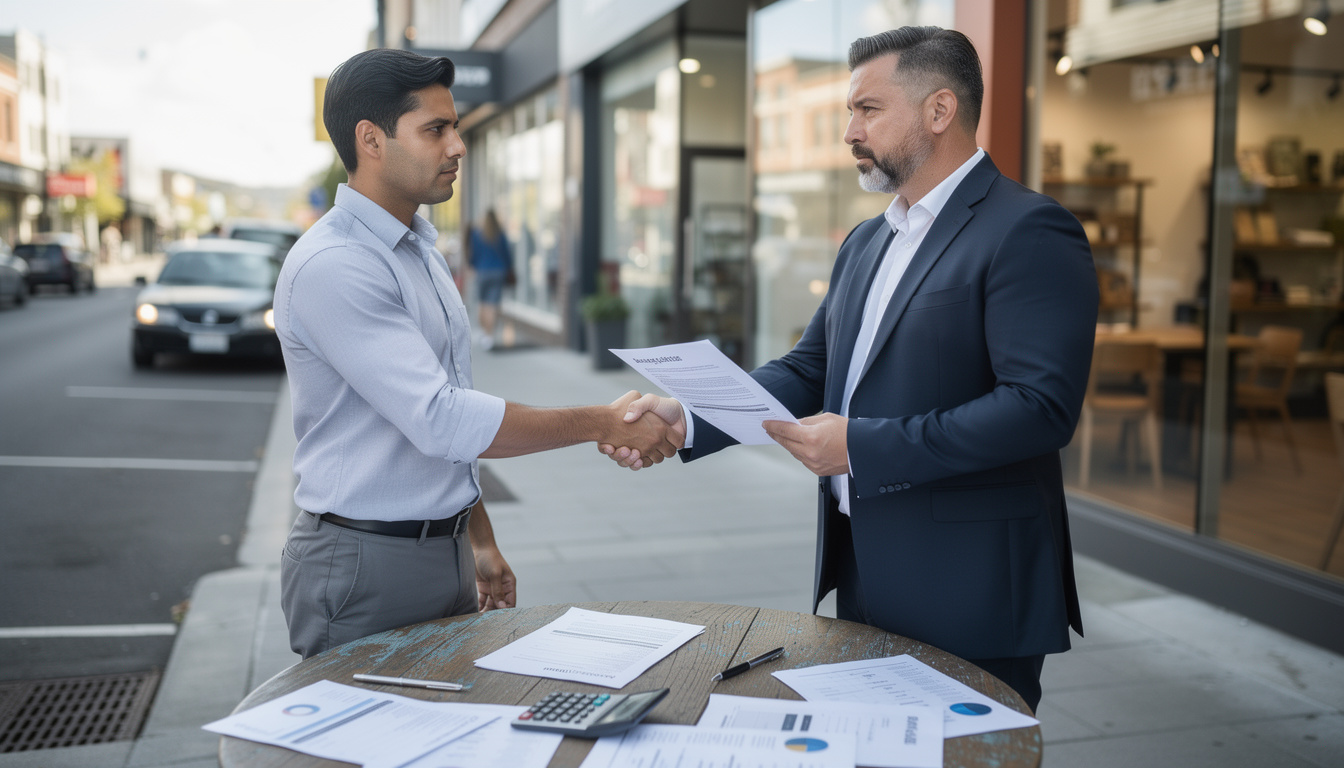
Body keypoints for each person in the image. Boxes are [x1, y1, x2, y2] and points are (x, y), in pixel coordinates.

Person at [605, 27, 1097, 711]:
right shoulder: (867, 239)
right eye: (849, 111)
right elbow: (809, 369)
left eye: (867, 110)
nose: (848, 131)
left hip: (973, 587)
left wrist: (859, 447)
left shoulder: (1028, 230)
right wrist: (687, 418)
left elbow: (1040, 408)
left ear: (939, 111)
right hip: (865, 573)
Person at [274, 48, 680, 659]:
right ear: (371, 140)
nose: (458, 145)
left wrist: (477, 538)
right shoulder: (338, 264)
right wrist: (602, 420)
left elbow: (445, 418)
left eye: (455, 126)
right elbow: (442, 420)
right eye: (436, 129)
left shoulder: (420, 253)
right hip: (364, 564)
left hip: (444, 551)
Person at [467, 209, 510, 349]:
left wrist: (473, 266)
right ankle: (490, 336)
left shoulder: (477, 234)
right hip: (498, 272)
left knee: (482, 304)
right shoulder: (500, 234)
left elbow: (473, 255)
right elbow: (506, 254)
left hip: (482, 272)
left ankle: (484, 333)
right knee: (492, 305)